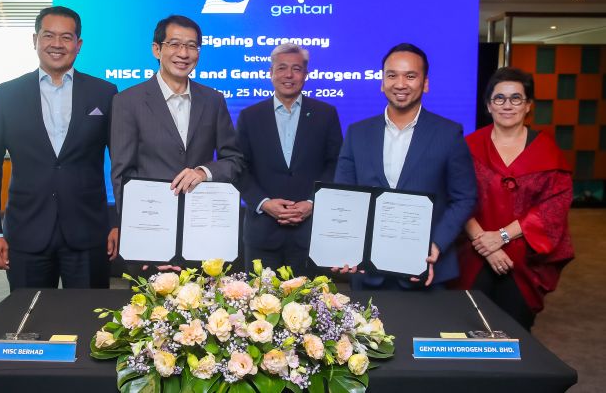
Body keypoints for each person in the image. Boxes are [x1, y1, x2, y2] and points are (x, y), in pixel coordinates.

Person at [0, 6, 118, 291]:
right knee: (30, 315)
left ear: (78, 44)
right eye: (48, 35)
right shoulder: (6, 95)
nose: (57, 44)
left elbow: (121, 162)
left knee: (89, 315)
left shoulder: (104, 93)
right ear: (35, 40)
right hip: (26, 232)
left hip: (89, 232)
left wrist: (117, 222)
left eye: (66, 37)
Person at [334, 43, 477, 289]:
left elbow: (464, 197)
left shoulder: (449, 134)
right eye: (392, 75)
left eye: (410, 76)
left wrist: (437, 243)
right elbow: (343, 195)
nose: (400, 84)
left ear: (425, 83)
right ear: (382, 82)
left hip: (425, 269)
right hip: (366, 271)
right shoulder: (357, 133)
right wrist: (345, 244)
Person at [110, 15, 243, 268]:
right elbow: (122, 176)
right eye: (174, 44)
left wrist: (204, 172)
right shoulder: (128, 101)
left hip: (203, 237)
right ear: (156, 49)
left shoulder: (213, 100)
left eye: (192, 46)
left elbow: (234, 161)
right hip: (152, 236)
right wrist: (139, 241)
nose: (183, 53)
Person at [454, 67, 574, 330]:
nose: (507, 105)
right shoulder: (468, 147)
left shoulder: (547, 151)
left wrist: (501, 237)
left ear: (528, 105)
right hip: (473, 254)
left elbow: (553, 208)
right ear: (488, 105)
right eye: (499, 98)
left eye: (516, 98)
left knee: (516, 332)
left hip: (524, 260)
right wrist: (485, 243)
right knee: (467, 330)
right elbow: (456, 196)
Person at [236, 44, 343, 275]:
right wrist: (264, 203)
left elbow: (335, 164)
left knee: (312, 299)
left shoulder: (326, 114)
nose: (289, 75)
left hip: (311, 233)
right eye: (282, 68)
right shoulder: (249, 116)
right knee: (258, 297)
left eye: (296, 69)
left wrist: (313, 202)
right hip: (262, 234)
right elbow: (240, 168)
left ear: (305, 74)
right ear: (271, 72)